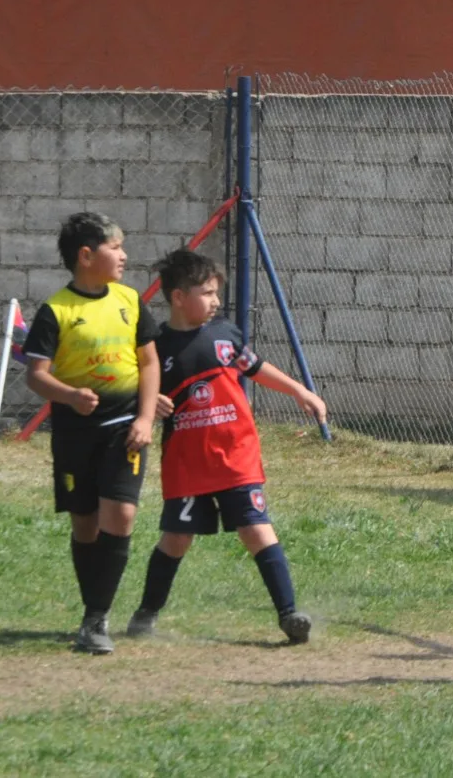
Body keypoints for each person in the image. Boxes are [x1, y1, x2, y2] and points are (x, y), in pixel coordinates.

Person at [124, 250, 325, 644]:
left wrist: (300, 390)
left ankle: (289, 615)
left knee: (256, 529)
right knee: (176, 539)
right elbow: (137, 385)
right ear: (179, 297)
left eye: (217, 293)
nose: (216, 300)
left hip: (236, 456)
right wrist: (148, 402)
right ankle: (146, 614)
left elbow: (256, 366)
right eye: (207, 292)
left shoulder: (225, 334)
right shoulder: (156, 347)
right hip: (187, 463)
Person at [22, 212, 160, 654]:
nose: (124, 255)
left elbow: (149, 362)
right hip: (74, 436)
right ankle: (92, 612)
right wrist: (68, 395)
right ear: (86, 256)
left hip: (125, 429)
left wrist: (144, 418)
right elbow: (36, 376)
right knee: (85, 524)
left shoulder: (131, 300)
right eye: (115, 247)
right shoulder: (56, 311)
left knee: (119, 516)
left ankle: (96, 619)